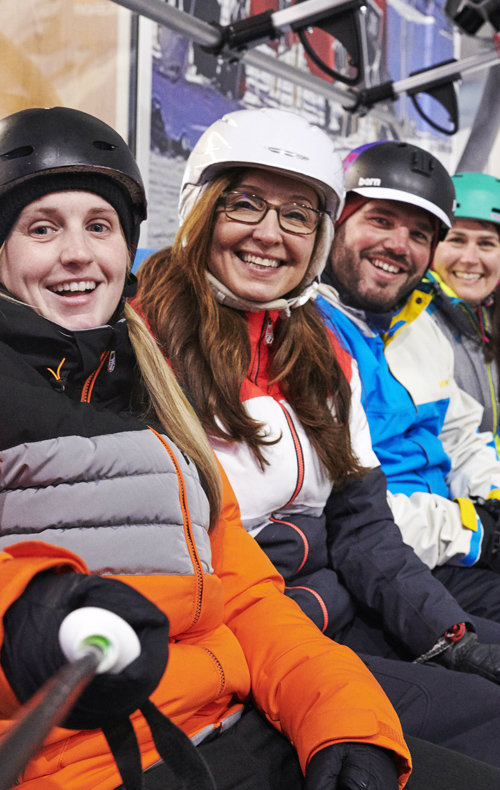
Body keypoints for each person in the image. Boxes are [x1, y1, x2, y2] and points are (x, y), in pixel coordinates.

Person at [0, 106, 418, 790]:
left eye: (99, 226)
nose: (78, 253)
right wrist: (26, 614)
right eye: (42, 228)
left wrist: (342, 718)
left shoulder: (140, 385)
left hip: (223, 723)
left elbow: (245, 592)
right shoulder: (150, 355)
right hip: (80, 760)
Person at [136, 106, 500, 774]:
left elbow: (363, 528)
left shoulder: (321, 352)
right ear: (201, 207)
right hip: (250, 650)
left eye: (298, 215)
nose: (270, 235)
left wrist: (450, 637)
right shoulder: (142, 344)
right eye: (246, 203)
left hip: (331, 618)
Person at [316, 141, 500, 610]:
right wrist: (474, 529)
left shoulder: (420, 324)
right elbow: (347, 513)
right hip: (391, 566)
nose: (398, 245)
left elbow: (461, 434)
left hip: (444, 549)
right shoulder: (308, 333)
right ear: (334, 223)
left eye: (420, 234)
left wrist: (494, 495)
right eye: (380, 220)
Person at [425, 172, 500, 446]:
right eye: (456, 240)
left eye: (486, 243)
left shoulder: (490, 314)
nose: (470, 259)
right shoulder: (409, 321)